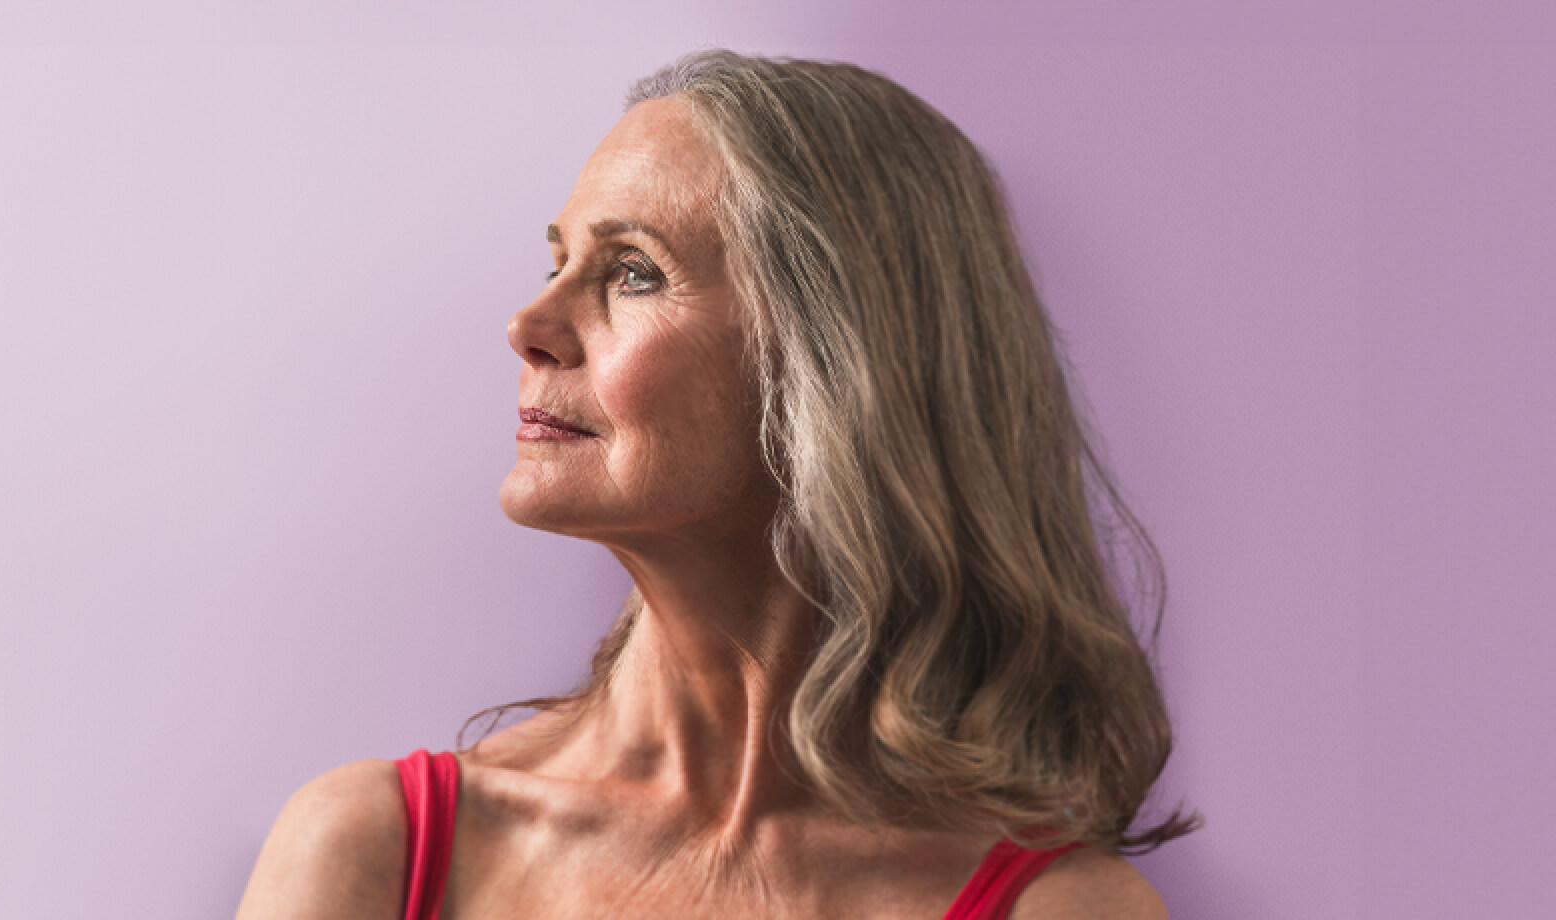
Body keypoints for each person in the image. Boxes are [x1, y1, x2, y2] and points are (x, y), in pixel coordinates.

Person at [233, 50, 1195, 920]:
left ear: (840, 362)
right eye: (558, 258)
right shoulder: (374, 850)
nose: (530, 321)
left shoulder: (1060, 911)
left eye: (633, 273)